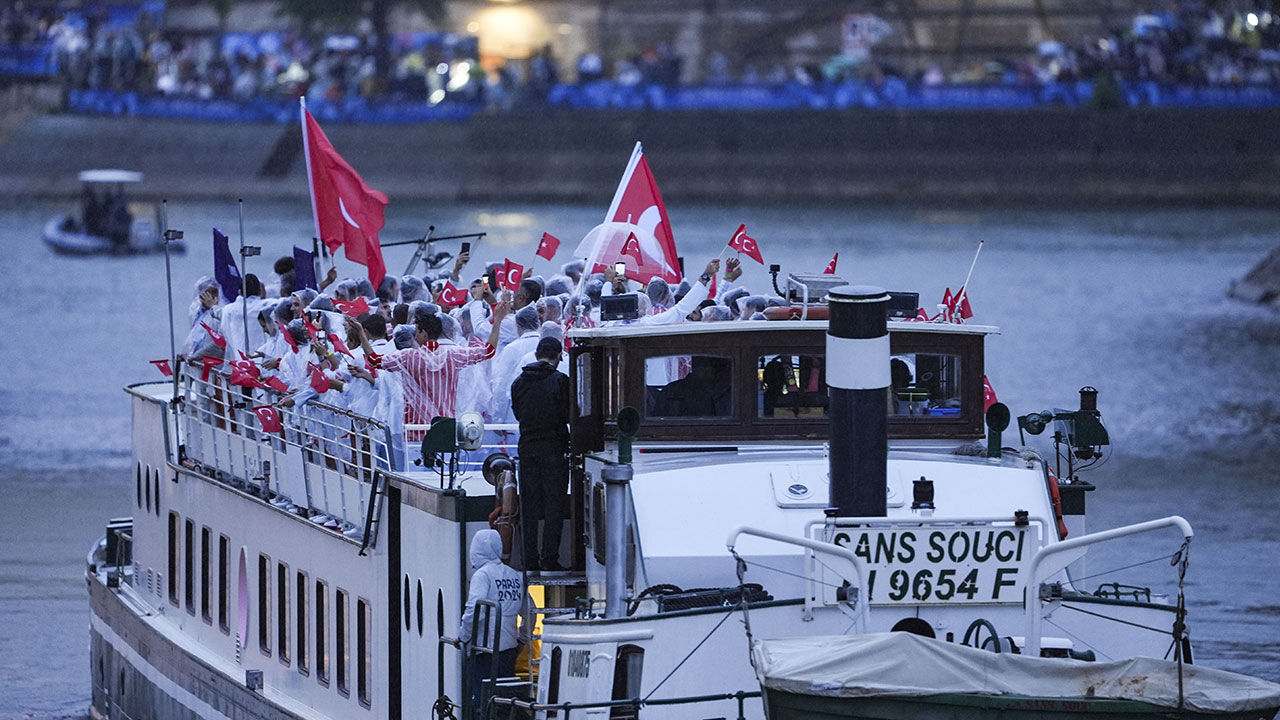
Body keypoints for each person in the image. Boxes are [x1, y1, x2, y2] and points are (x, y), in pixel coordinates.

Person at [510, 337, 571, 571]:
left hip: (527, 448)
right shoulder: (560, 381)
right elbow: (567, 415)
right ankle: (549, 559)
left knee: (529, 506)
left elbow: (517, 414)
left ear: (536, 355)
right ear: (558, 357)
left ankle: (529, 559)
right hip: (554, 449)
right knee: (553, 505)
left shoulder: (518, 383)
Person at [458, 529, 530, 707]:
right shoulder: (516, 576)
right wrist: (522, 639)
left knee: (483, 704)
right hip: (509, 651)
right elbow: (531, 612)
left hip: (484, 652)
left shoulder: (482, 576)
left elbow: (475, 610)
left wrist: (463, 637)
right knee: (505, 703)